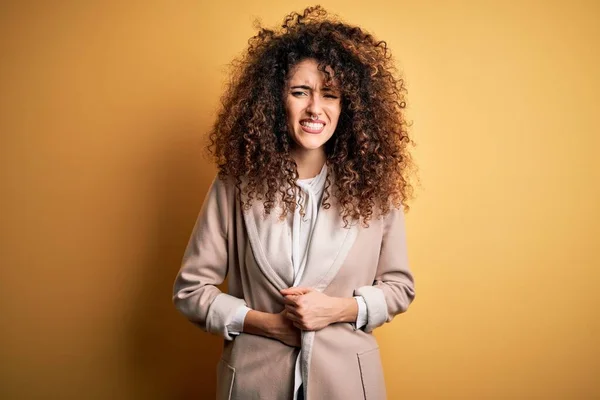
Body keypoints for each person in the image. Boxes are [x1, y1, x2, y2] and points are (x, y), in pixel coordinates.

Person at [173, 6, 416, 400]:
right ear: (274, 100)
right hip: (253, 383)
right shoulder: (234, 185)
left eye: (330, 95)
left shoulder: (375, 187)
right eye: (300, 92)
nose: (314, 108)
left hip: (348, 386)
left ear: (347, 107)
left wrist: (336, 310)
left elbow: (399, 287)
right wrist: (265, 324)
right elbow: (191, 290)